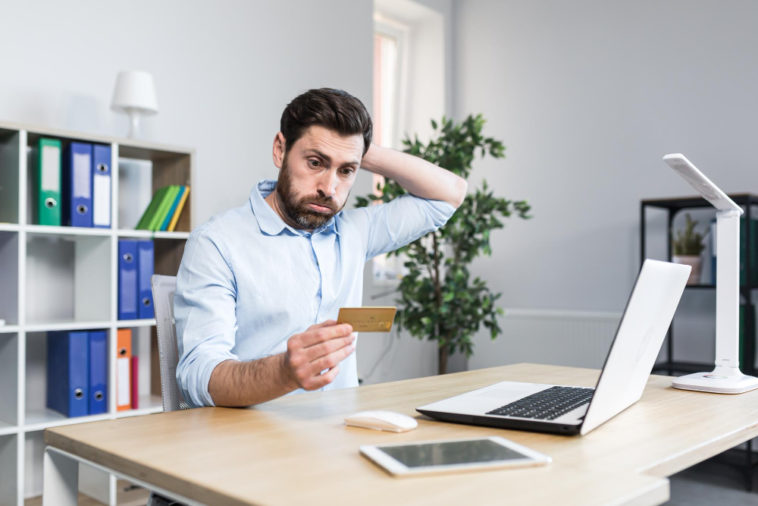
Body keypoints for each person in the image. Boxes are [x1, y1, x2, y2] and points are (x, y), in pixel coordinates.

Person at [174, 88, 466, 407]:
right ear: (280, 150)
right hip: (253, 441)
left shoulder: (355, 232)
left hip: (340, 434)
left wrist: (359, 150)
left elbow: (450, 193)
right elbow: (198, 376)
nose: (329, 188)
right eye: (315, 162)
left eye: (346, 171)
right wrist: (283, 372)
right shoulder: (217, 243)